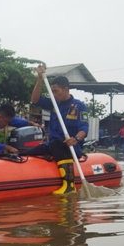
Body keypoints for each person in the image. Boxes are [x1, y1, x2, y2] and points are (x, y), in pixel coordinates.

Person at [28, 65, 89, 195]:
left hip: (71, 147)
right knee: (30, 151)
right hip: (53, 145)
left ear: (65, 89)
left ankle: (69, 185)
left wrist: (76, 139)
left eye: (56, 91)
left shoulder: (79, 107)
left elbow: (84, 128)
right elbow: (35, 100)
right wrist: (39, 79)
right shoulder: (54, 103)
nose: (53, 94)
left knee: (56, 143)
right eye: (52, 91)